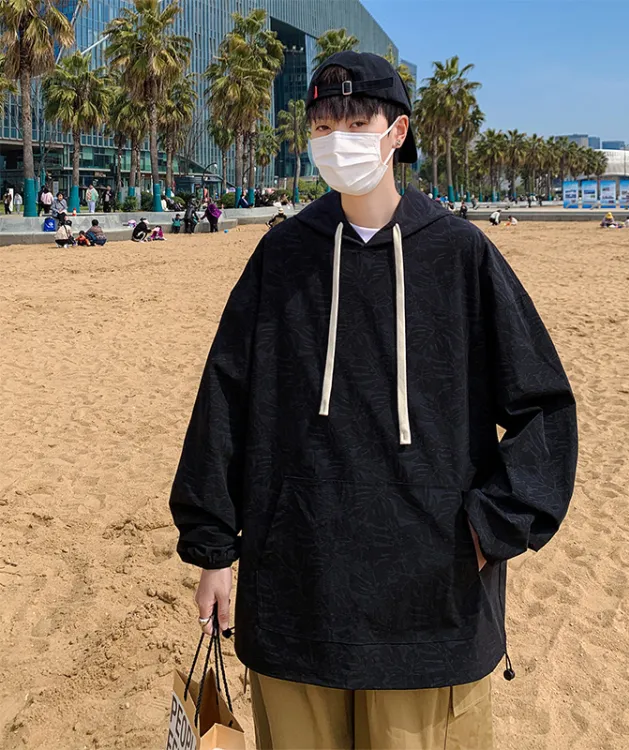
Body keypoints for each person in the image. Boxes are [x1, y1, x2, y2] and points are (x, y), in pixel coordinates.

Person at [169, 51, 577, 750]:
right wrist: (213, 551)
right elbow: (224, 402)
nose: (339, 140)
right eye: (323, 126)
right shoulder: (281, 255)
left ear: (397, 131)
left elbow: (544, 407)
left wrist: (495, 526)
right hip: (296, 589)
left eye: (357, 122)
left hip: (432, 598)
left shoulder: (460, 254)